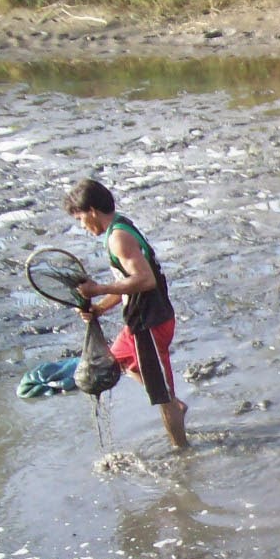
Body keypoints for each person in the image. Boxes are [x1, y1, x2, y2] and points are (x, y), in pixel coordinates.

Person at [64, 179, 188, 448]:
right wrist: (99, 307)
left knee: (162, 398)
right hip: (137, 323)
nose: (82, 226)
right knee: (114, 361)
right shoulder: (119, 227)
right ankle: (174, 404)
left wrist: (98, 289)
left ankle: (183, 453)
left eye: (81, 218)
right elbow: (128, 285)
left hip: (149, 325)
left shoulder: (119, 238)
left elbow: (145, 280)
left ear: (93, 210)